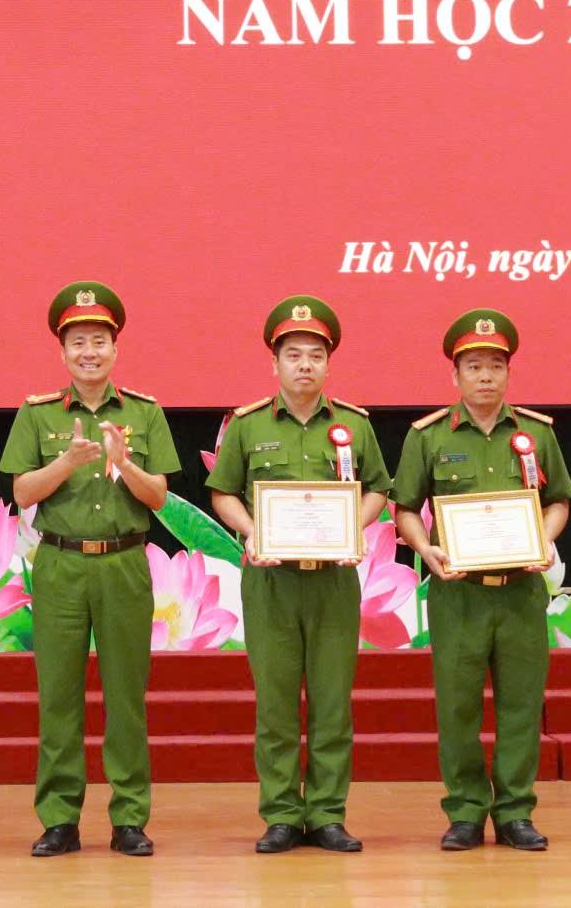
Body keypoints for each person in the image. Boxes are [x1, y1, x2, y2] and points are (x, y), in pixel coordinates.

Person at [0, 280, 180, 857]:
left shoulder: (145, 413)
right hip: (61, 564)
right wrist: (66, 462)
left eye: (99, 341)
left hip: (124, 563)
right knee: (59, 697)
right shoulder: (37, 414)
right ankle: (59, 820)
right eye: (78, 342)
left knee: (126, 698)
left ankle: (129, 819)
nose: (89, 352)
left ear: (115, 348)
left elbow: (158, 497)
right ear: (63, 352)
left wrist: (124, 464)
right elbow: (23, 492)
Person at [204, 296, 390, 854]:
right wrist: (251, 531)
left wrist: (354, 526)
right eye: (293, 355)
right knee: (276, 703)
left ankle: (328, 813)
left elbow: (378, 490)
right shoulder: (247, 424)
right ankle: (283, 813)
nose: (304, 365)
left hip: (333, 581)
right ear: (275, 363)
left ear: (328, 363)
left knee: (332, 703)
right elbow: (222, 493)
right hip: (271, 583)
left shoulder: (354, 425)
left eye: (315, 355)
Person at [390, 309, 571, 853]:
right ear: (455, 375)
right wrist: (424, 548)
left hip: (520, 593)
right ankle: (466, 812)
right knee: (458, 707)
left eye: (496, 365)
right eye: (474, 366)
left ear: (509, 372)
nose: (486, 376)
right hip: (459, 595)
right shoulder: (427, 436)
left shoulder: (536, 434)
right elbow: (405, 508)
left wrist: (543, 539)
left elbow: (559, 501)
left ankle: (515, 812)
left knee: (521, 705)